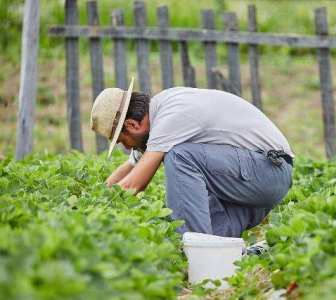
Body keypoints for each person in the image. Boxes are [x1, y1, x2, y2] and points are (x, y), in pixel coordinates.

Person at [90, 78, 294, 238]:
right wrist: (93, 198)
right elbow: (131, 166)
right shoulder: (159, 112)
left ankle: (197, 251)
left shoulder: (171, 117)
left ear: (132, 125)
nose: (125, 146)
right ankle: (221, 256)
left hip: (269, 170)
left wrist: (93, 216)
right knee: (213, 232)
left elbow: (133, 185)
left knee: (179, 156)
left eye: (120, 140)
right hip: (251, 178)